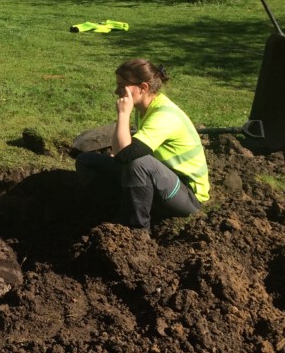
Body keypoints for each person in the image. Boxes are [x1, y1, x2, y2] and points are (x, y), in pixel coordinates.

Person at [75, 59, 209, 230]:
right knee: (86, 161)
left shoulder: (164, 116)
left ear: (143, 87)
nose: (116, 91)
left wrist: (124, 114)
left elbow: (124, 155)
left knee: (138, 163)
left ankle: (137, 229)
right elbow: (120, 153)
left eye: (122, 86)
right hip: (161, 181)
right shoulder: (145, 108)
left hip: (187, 196)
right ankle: (115, 213)